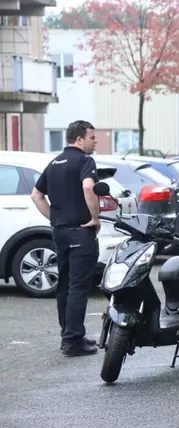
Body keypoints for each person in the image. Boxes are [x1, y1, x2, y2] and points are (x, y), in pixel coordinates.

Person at [30, 120, 100, 356]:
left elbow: (36, 194)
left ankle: (67, 335)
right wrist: (95, 217)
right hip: (81, 232)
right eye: (92, 137)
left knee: (65, 286)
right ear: (79, 139)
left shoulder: (53, 163)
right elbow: (89, 188)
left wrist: (55, 218)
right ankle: (73, 341)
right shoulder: (84, 161)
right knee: (78, 287)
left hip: (59, 232)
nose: (95, 141)